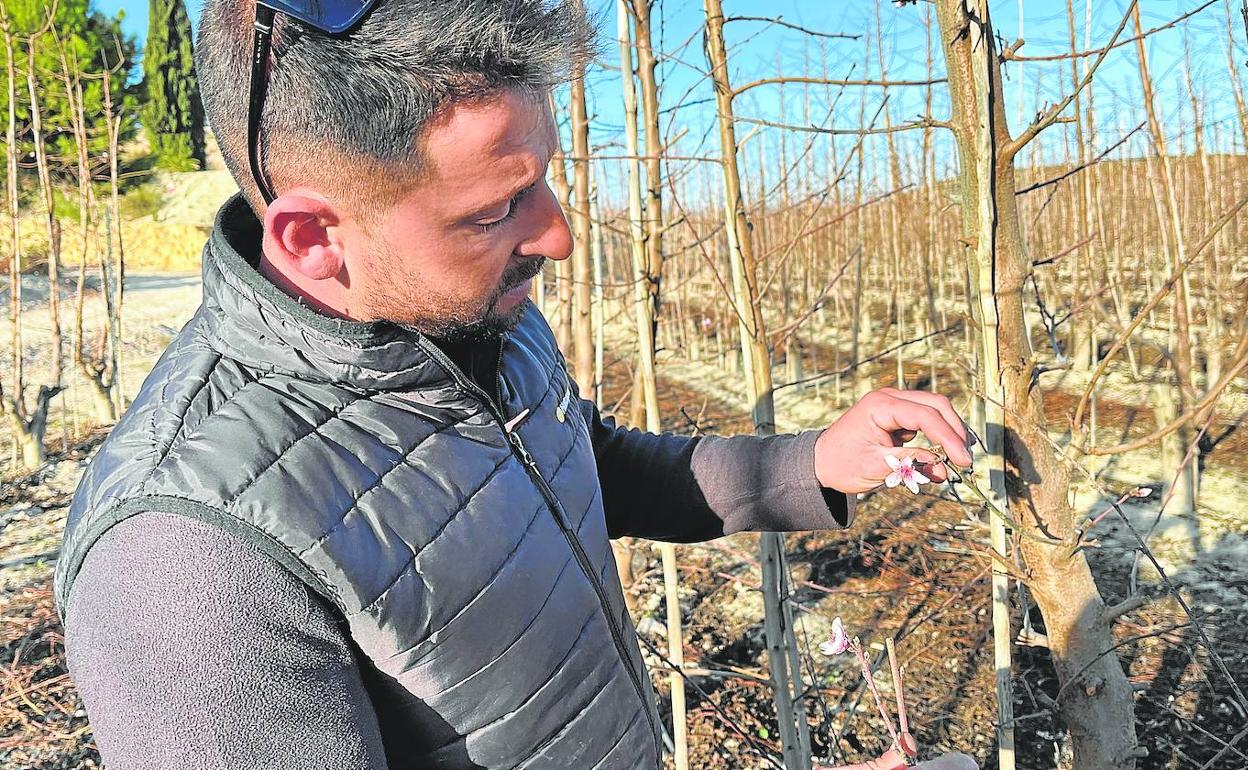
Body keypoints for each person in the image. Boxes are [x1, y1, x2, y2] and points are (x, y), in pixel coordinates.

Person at [54, 1, 975, 768]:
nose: (559, 235)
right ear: (314, 239)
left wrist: (810, 463)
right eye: (496, 208)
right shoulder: (185, 563)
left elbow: (577, 464)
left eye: (541, 182)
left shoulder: (471, 314)